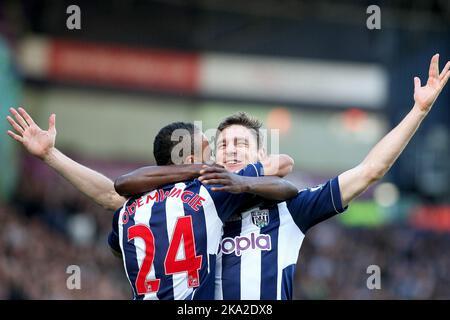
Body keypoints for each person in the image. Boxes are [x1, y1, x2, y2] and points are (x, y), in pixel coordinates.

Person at [111, 54, 450, 299]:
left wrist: (418, 111)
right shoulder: (191, 204)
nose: (230, 150)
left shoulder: (288, 209)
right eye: (224, 144)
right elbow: (113, 194)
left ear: (261, 158)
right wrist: (54, 157)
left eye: (241, 144)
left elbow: (370, 171)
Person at [6, 109, 297, 300]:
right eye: (207, 154)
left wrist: (51, 156)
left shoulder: (132, 211)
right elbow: (282, 164)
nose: (214, 161)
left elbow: (111, 195)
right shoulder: (208, 192)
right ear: (187, 160)